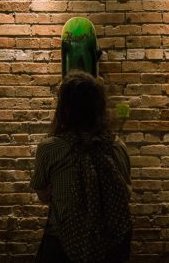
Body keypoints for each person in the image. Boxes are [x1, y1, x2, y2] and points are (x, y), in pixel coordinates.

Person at [30, 70, 132, 263]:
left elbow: (43, 195)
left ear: (64, 109)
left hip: (62, 239)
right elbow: (126, 191)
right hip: (112, 242)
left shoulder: (49, 148)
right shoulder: (116, 146)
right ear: (99, 108)